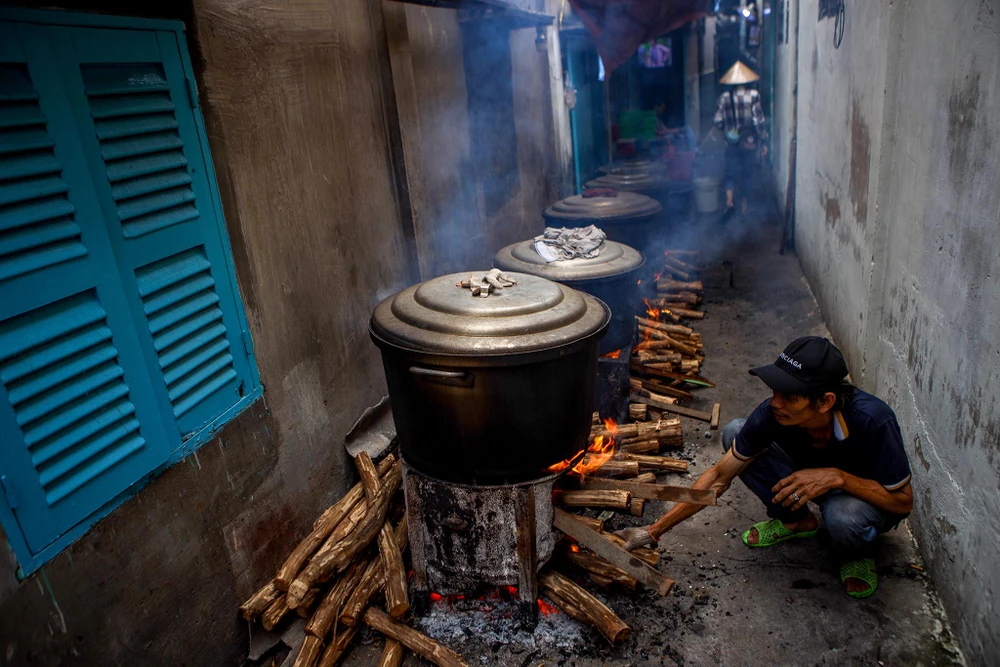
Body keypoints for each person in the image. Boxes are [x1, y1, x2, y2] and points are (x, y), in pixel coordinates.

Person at [616, 337, 913, 599]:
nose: (775, 403)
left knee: (843, 517)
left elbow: (902, 502)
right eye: (775, 390)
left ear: (825, 401)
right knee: (736, 432)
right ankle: (797, 521)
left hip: (858, 499)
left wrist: (838, 478)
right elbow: (719, 477)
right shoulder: (773, 414)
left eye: (789, 396)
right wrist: (653, 531)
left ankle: (856, 553)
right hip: (803, 479)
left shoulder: (873, 420)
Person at [713, 60, 768, 219]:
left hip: (731, 142)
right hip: (749, 142)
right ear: (747, 80)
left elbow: (717, 121)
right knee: (747, 173)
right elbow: (759, 121)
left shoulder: (724, 98)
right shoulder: (753, 96)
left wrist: (728, 130)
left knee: (730, 173)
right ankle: (744, 206)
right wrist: (763, 140)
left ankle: (729, 202)